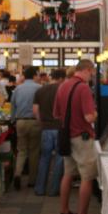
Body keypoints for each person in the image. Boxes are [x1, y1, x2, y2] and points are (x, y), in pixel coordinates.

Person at [53, 59, 99, 214]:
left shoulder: (63, 86)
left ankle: (64, 212)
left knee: (68, 174)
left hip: (67, 136)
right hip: (82, 137)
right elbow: (89, 117)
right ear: (87, 70)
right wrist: (95, 113)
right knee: (87, 177)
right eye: (92, 73)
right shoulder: (83, 88)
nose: (92, 77)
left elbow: (57, 114)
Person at [33, 68, 66, 196]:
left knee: (44, 158)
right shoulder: (63, 90)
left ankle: (40, 188)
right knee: (59, 158)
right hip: (60, 128)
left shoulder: (40, 90)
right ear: (62, 78)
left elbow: (35, 110)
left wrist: (41, 122)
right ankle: (54, 189)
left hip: (46, 129)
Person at [11, 65, 42, 190]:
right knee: (34, 152)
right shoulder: (39, 88)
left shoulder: (18, 89)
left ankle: (17, 174)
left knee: (21, 150)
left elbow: (13, 106)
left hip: (20, 122)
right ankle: (32, 180)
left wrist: (13, 120)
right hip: (35, 122)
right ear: (34, 75)